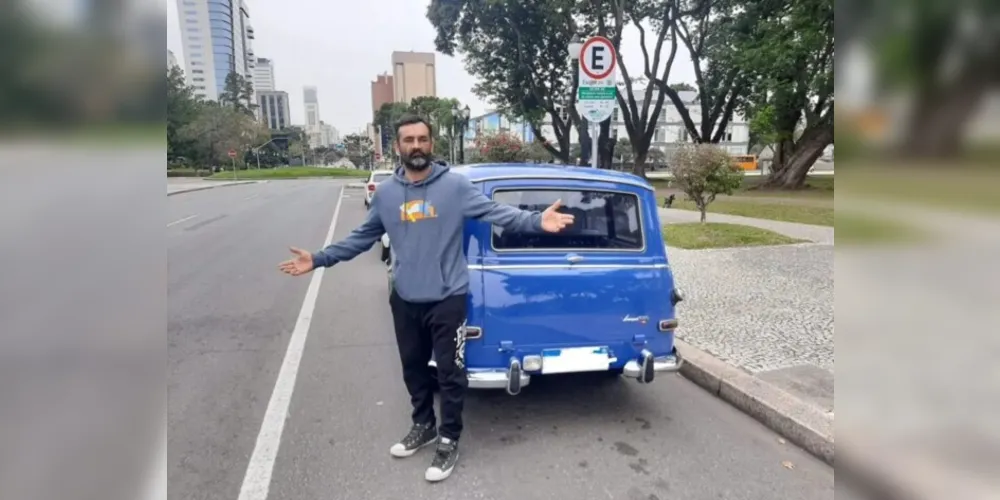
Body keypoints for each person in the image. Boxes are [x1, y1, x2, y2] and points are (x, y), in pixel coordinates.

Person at [278, 114, 574, 482]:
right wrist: (319, 258)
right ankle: (424, 425)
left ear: (431, 143)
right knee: (414, 368)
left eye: (422, 139)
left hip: (448, 297)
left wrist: (536, 222)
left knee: (449, 374)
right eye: (408, 140)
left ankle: (449, 437)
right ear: (397, 147)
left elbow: (499, 213)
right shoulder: (386, 194)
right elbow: (362, 237)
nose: (416, 146)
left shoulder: (455, 187)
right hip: (405, 297)